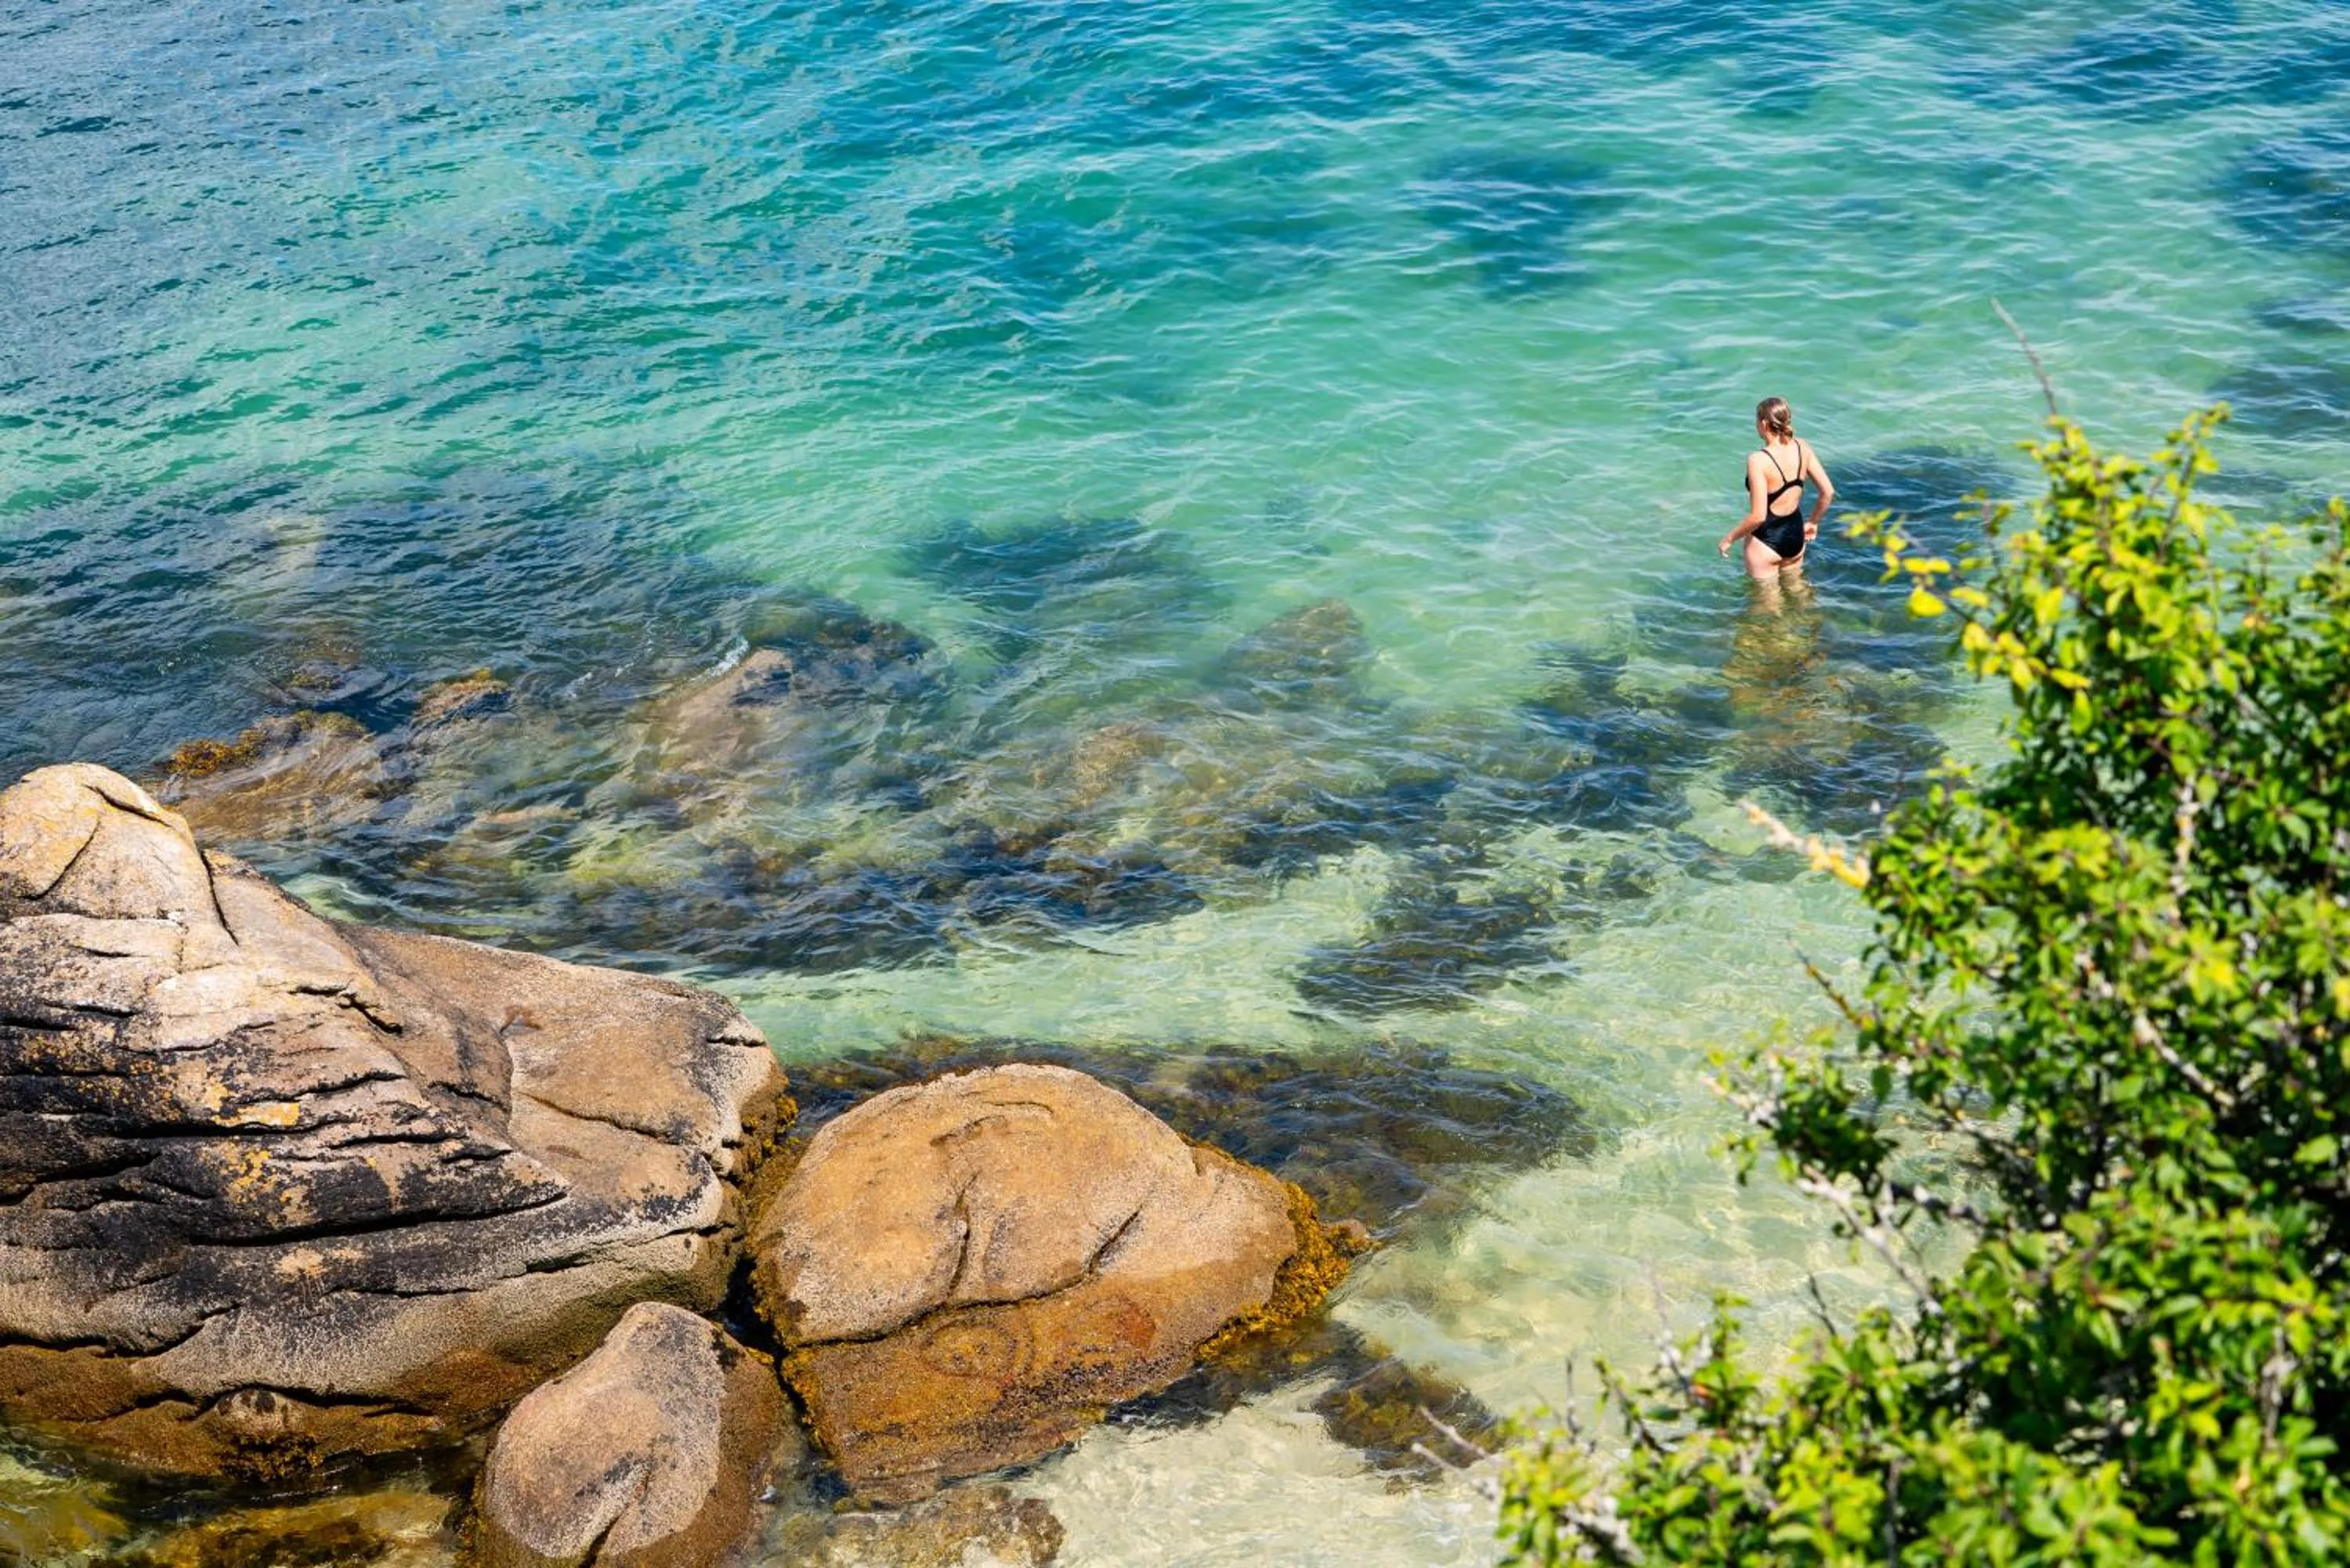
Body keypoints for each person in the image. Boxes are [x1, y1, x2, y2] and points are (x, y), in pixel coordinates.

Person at [1718, 396, 1834, 583]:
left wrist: (1730, 538)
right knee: (1800, 594)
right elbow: (1828, 492)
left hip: (1765, 543)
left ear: (1764, 423)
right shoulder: (1802, 447)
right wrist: (1813, 522)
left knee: (1766, 609)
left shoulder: (1758, 460)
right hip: (1796, 537)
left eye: (1757, 420)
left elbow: (1758, 516)